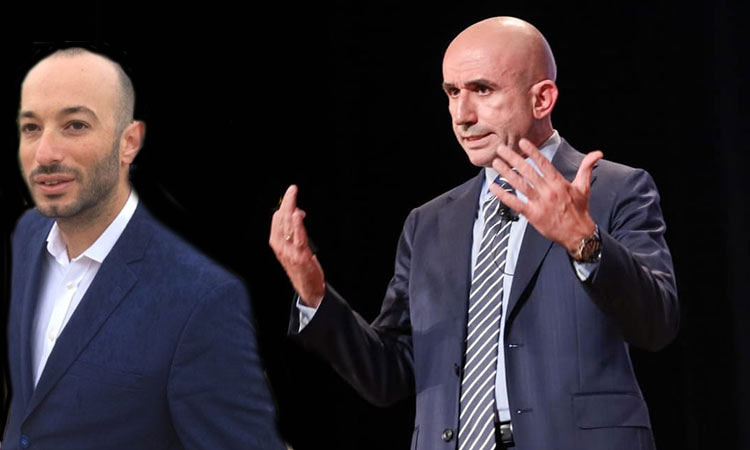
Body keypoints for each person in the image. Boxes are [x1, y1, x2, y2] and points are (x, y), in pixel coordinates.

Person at [270, 16, 678, 450]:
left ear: (542, 99)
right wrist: (314, 294)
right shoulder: (429, 223)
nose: (462, 116)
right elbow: (389, 373)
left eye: (482, 90)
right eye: (452, 93)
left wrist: (584, 241)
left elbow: (657, 324)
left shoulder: (613, 190)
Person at [4, 48, 285, 450]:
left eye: (75, 125)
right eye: (31, 127)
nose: (45, 153)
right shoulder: (27, 237)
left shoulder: (201, 301)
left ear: (128, 142)